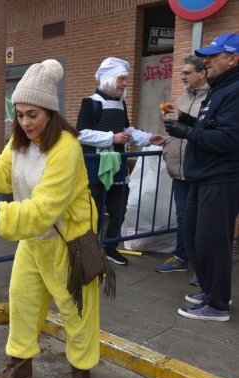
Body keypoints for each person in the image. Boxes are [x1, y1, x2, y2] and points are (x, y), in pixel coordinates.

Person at [0, 60, 98, 378]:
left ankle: (81, 373)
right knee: (21, 303)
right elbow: (4, 177)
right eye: (19, 114)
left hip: (69, 243)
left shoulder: (66, 148)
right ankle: (19, 367)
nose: (24, 122)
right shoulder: (20, 141)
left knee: (76, 313)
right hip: (35, 243)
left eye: (31, 114)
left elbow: (44, 208)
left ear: (49, 112)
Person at [165, 34, 239, 322]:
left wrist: (186, 133)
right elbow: (212, 125)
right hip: (204, 176)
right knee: (194, 237)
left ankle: (218, 305)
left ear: (232, 59)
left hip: (220, 178)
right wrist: (187, 120)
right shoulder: (221, 88)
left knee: (212, 242)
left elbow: (229, 138)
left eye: (214, 55)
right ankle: (211, 291)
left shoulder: (234, 90)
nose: (206, 60)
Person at [76, 57, 165, 266]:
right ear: (109, 79)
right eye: (121, 79)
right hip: (94, 165)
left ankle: (110, 248)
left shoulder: (121, 103)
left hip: (117, 165)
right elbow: (80, 134)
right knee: (93, 211)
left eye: (125, 79)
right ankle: (90, 251)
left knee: (119, 209)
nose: (125, 83)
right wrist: (111, 138)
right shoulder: (90, 103)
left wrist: (149, 138)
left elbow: (127, 131)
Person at [156, 55, 209, 285]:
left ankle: (202, 265)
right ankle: (181, 256)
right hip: (178, 167)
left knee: (202, 219)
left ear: (202, 73)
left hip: (199, 168)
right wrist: (165, 140)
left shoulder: (212, 99)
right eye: (182, 73)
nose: (183, 77)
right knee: (183, 216)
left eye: (187, 73)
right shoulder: (183, 97)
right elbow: (176, 128)